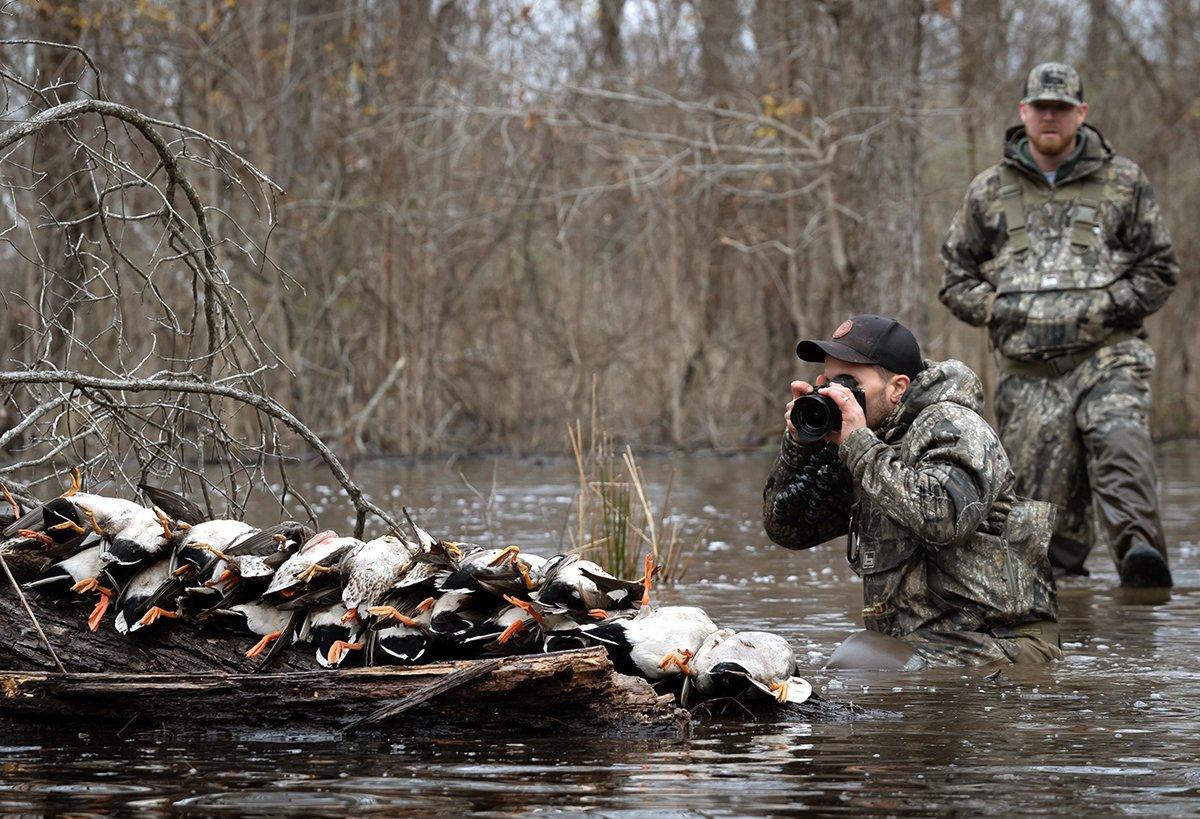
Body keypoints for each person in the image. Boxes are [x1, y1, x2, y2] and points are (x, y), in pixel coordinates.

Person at [939, 62, 1177, 587]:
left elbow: (1160, 267)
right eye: (1041, 108)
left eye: (1061, 109)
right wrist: (1002, 309)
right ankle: (1064, 632)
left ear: (1081, 114)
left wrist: (1108, 306)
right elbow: (955, 279)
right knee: (1045, 528)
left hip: (1109, 356)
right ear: (1024, 112)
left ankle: (1142, 575)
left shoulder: (1124, 181)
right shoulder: (987, 191)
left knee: (1121, 449)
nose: (1050, 117)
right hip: (1028, 374)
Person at [762, 314, 1060, 669]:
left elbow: (943, 519)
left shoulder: (954, 426)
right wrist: (801, 445)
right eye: (827, 380)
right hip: (918, 648)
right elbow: (789, 530)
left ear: (898, 387)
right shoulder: (866, 442)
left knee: (856, 660)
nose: (834, 392)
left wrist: (859, 445)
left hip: (1001, 646)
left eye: (848, 382)